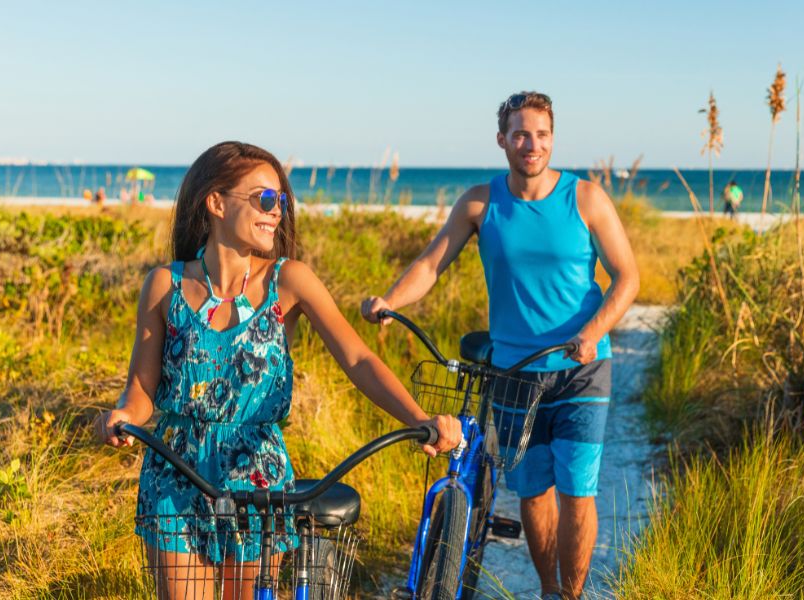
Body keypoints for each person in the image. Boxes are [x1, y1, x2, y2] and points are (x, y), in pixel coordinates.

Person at [94, 141, 461, 600]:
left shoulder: (288, 281)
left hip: (257, 475)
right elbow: (141, 390)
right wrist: (121, 416)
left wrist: (419, 419)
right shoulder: (164, 285)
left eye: (281, 203)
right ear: (216, 202)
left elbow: (358, 358)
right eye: (265, 200)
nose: (276, 213)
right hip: (176, 474)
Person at [361, 92, 639, 600]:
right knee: (533, 493)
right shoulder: (480, 202)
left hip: (581, 369)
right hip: (513, 373)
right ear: (502, 140)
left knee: (578, 492)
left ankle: (569, 597)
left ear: (552, 139)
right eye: (520, 134)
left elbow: (628, 278)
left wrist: (592, 333)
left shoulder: (587, 199)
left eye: (541, 134)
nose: (532, 144)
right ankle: (549, 587)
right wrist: (389, 299)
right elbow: (430, 264)